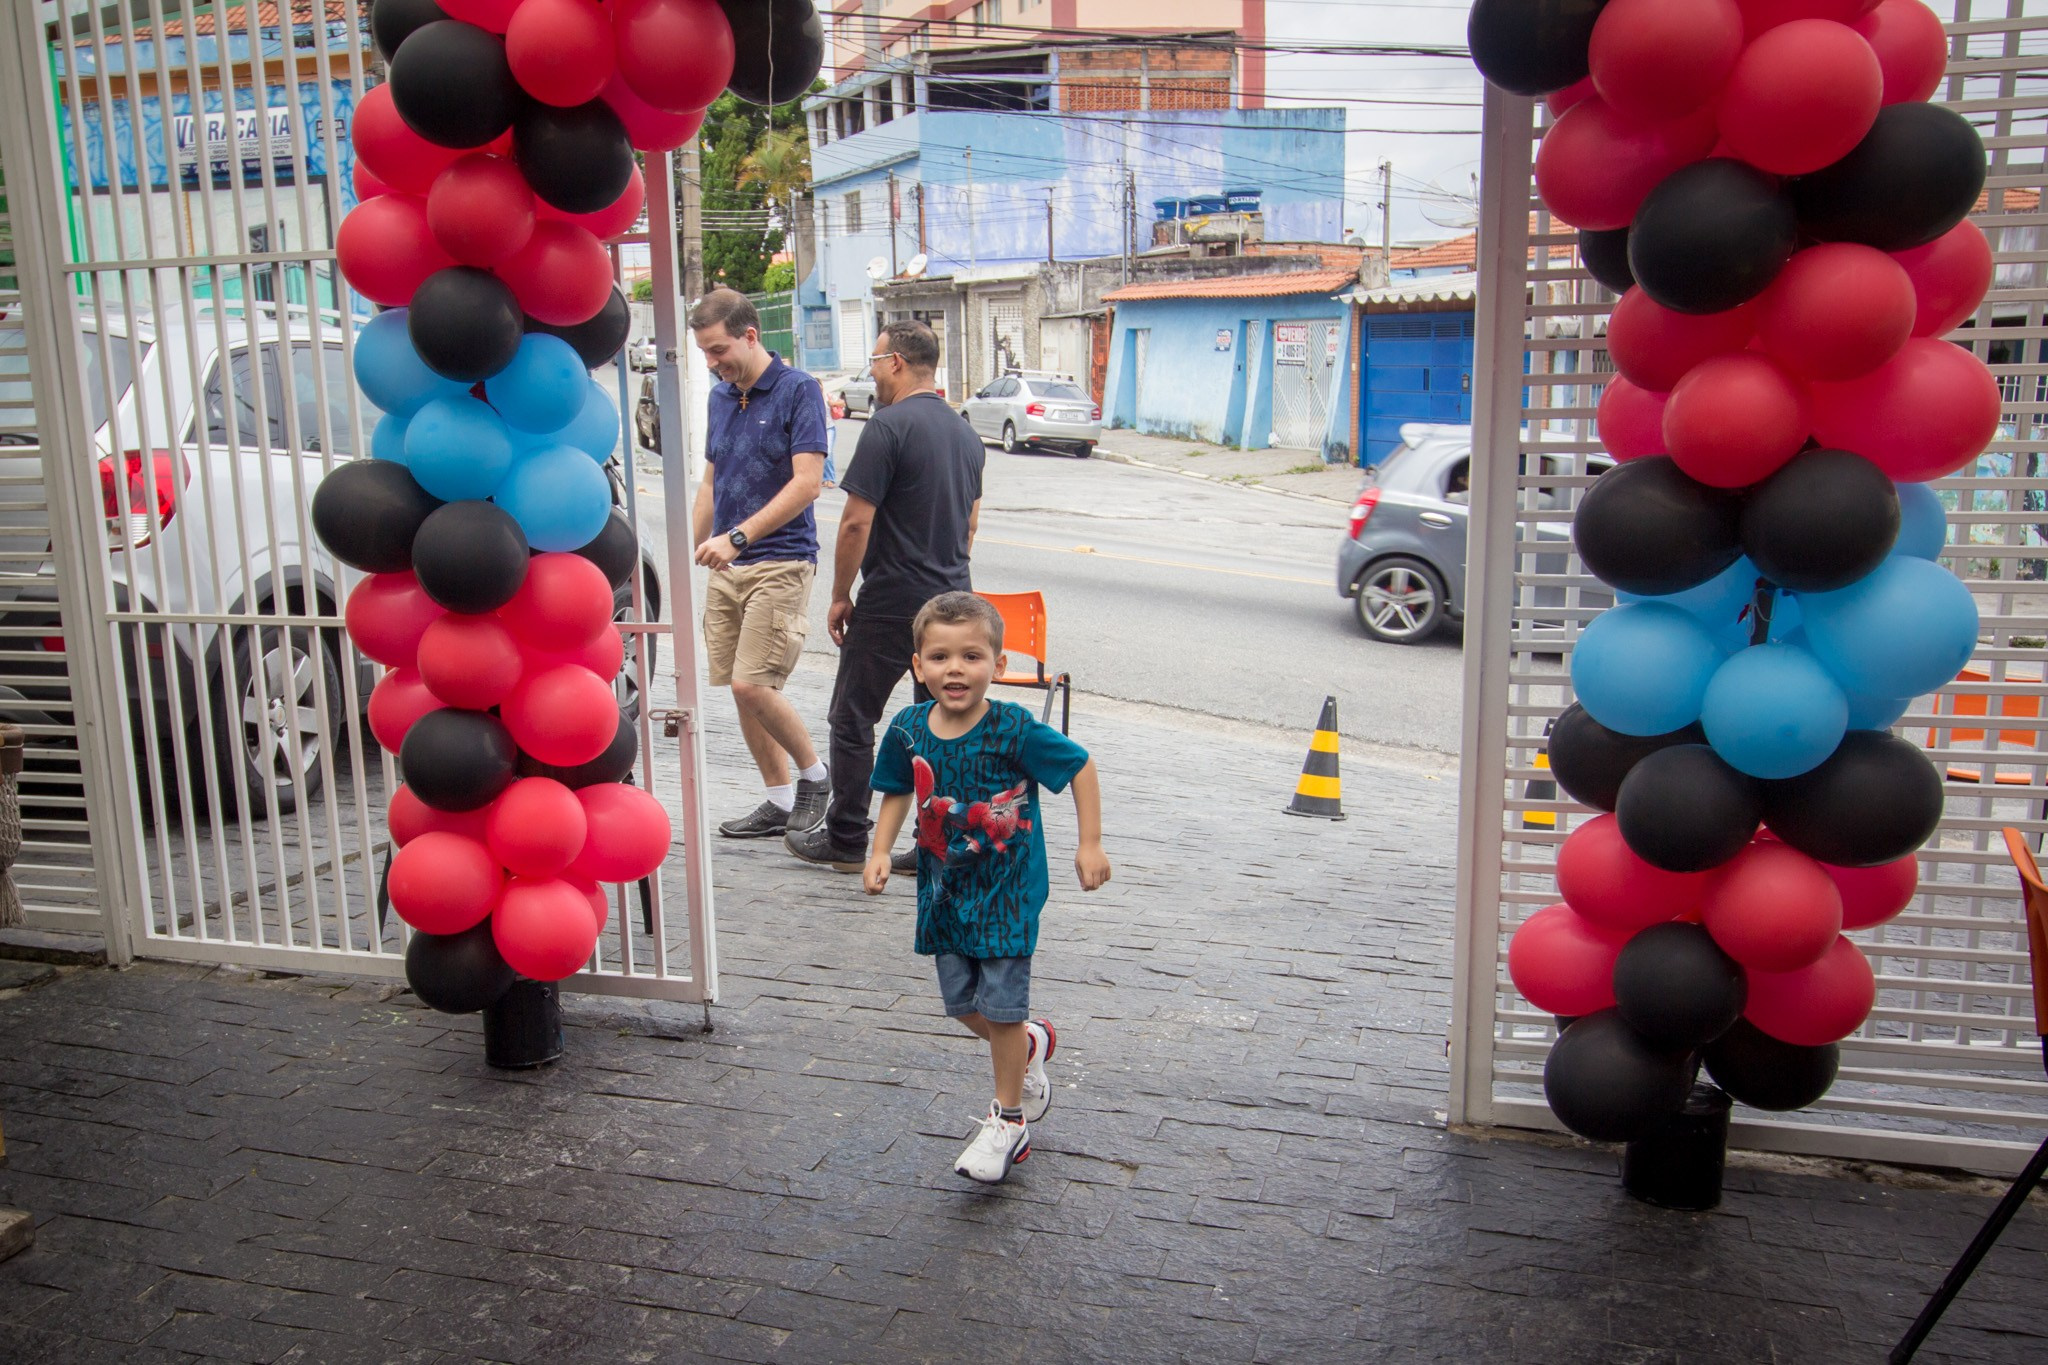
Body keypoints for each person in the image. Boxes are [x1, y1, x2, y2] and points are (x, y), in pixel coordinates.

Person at [861, 592, 1110, 1184]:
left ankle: (1010, 1121)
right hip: (944, 888)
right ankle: (1027, 1043)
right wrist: (878, 848)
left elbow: (1080, 767)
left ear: (996, 666)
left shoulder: (1014, 728)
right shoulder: (908, 727)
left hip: (1009, 890)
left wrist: (1090, 843)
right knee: (963, 1005)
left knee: (999, 1007)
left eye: (971, 656)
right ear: (917, 665)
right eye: (941, 656)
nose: (955, 668)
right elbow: (898, 788)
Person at [785, 320, 984, 872]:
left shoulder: (887, 426)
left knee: (853, 716)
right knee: (941, 721)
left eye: (874, 362)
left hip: (894, 597)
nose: (871, 373)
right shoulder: (966, 434)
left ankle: (848, 837)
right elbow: (970, 524)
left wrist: (841, 593)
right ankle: (933, 844)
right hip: (952, 602)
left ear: (896, 361)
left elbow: (855, 523)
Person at [688, 287, 832, 839]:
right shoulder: (721, 396)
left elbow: (808, 483)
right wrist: (692, 545)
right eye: (704, 352)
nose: (712, 362)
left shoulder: (799, 391)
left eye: (719, 349)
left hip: (781, 560)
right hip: (728, 566)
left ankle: (815, 777)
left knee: (754, 684)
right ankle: (776, 799)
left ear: (751, 335)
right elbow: (710, 481)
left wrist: (738, 537)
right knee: (737, 685)